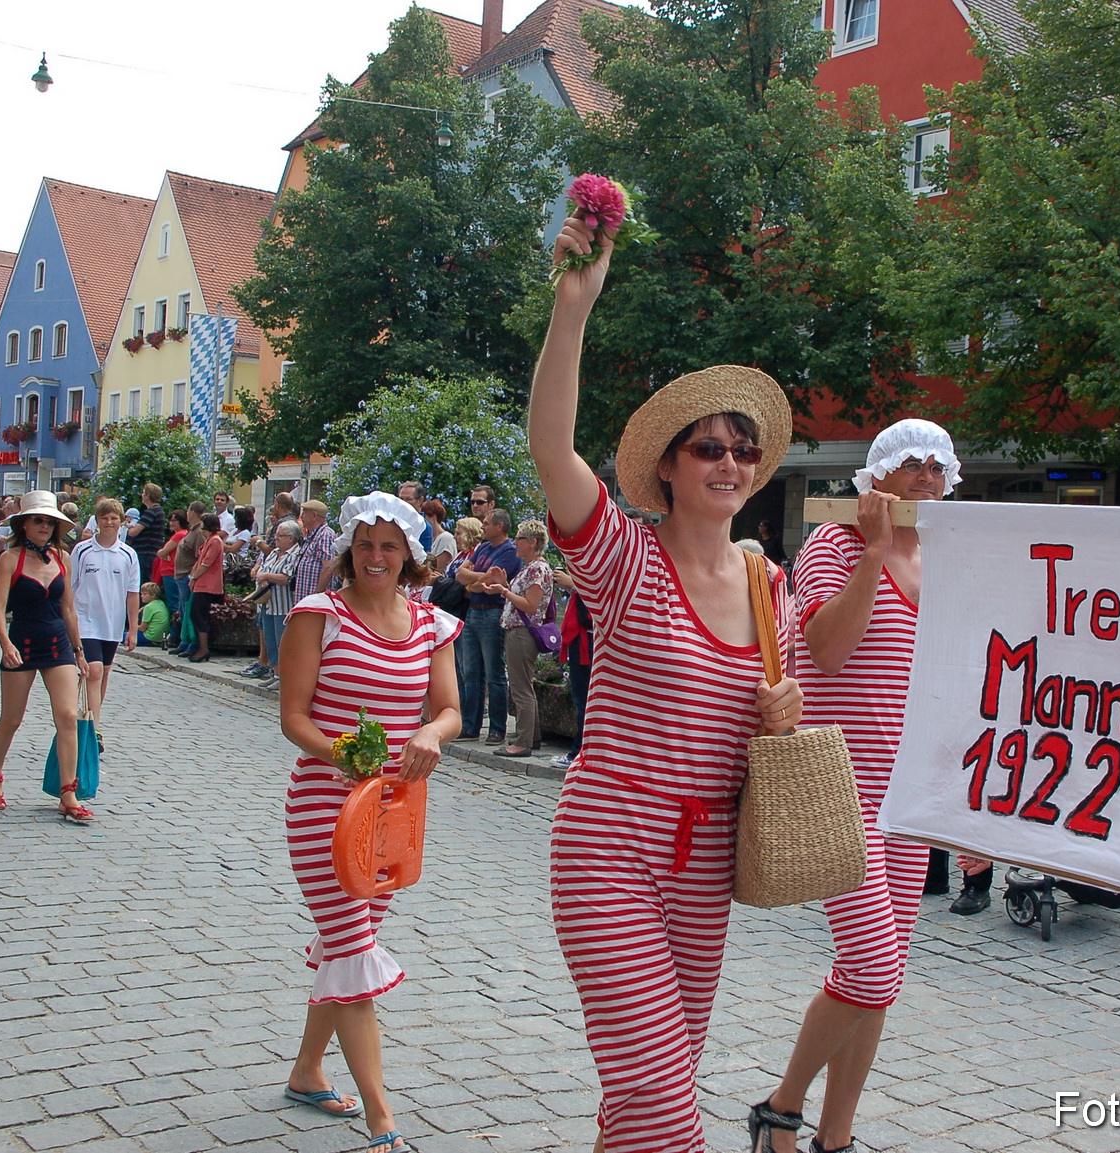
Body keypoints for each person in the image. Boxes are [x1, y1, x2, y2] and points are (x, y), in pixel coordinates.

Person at [529, 209, 803, 1153]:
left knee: (653, 1090)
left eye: (743, 449)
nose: (729, 461)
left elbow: (783, 722)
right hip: (609, 844)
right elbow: (553, 453)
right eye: (708, 447)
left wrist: (784, 713)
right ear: (672, 466)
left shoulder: (772, 585)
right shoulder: (624, 560)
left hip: (705, 866)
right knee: (664, 1105)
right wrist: (574, 310)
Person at [751, 419, 959, 1153]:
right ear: (878, 476)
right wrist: (874, 552)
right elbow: (828, 650)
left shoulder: (943, 556)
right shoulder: (834, 545)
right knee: (870, 969)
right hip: (841, 795)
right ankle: (781, 1105)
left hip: (910, 800)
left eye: (938, 465)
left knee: (882, 978)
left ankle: (835, 1135)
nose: (926, 476)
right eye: (911, 464)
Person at [278, 492, 460, 1153]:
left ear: (409, 554)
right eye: (364, 544)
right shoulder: (317, 616)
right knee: (353, 947)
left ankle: (305, 1071)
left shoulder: (430, 623)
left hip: (392, 810)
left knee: (342, 944)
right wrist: (345, 754)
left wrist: (433, 734)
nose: (375, 557)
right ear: (348, 549)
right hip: (324, 806)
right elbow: (294, 717)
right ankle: (384, 1123)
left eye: (389, 546)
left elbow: (449, 709)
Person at [0, 492, 91, 821]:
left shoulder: (63, 557)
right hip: (23, 641)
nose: (45, 526)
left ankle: (68, 793)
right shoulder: (10, 558)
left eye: (50, 521)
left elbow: (68, 608)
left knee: (67, 717)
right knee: (12, 719)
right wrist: (5, 643)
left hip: (57, 642)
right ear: (24, 524)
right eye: (38, 520)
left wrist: (79, 651)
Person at [485, 520, 554, 757]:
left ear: (533, 542)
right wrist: (505, 585)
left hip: (522, 633)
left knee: (521, 688)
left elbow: (531, 605)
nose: (515, 542)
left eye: (520, 538)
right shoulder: (532, 567)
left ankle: (523, 741)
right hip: (518, 632)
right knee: (524, 685)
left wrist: (503, 591)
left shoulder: (537, 569)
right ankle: (531, 737)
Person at [70, 498, 140, 729]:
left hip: (112, 623)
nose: (109, 522)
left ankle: (89, 717)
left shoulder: (128, 554)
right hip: (86, 620)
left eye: (114, 518)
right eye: (104, 518)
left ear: (121, 522)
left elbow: (132, 593)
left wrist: (132, 629)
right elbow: (70, 588)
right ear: (97, 521)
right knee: (94, 670)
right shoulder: (82, 550)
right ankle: (95, 729)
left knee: (103, 673)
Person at [454, 510, 520, 743]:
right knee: (471, 672)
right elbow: (460, 574)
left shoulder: (509, 551)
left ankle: (497, 728)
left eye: (487, 523)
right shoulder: (483, 548)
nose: (482, 527)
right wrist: (478, 580)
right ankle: (470, 726)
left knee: (494, 673)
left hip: (493, 613)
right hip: (474, 612)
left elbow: (493, 582)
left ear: (500, 526)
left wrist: (475, 581)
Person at [248, 520, 303, 688]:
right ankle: (276, 673)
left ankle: (285, 678)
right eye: (276, 535)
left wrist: (266, 576)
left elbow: (286, 578)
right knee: (270, 639)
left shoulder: (294, 554)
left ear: (291, 538)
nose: (277, 539)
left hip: (282, 604)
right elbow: (264, 568)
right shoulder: (275, 552)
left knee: (282, 641)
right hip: (267, 603)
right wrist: (260, 573)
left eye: (281, 536)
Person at [551, 567, 591, 771]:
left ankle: (580, 753)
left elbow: (599, 596)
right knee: (582, 698)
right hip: (582, 639)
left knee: (585, 699)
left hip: (589, 638)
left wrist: (572, 585)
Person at [185, 513, 225, 662]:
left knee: (199, 615)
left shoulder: (215, 541)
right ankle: (200, 647)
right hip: (201, 584)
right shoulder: (209, 540)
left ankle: (203, 649)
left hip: (208, 584)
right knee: (196, 614)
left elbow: (206, 563)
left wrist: (194, 577)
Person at [170, 502, 208, 656]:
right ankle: (184, 640)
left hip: (187, 575)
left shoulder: (199, 532)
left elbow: (200, 556)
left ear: (192, 512)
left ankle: (192, 642)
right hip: (180, 576)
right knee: (183, 610)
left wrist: (193, 575)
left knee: (188, 610)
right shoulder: (192, 531)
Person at [155, 510, 189, 646]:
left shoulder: (179, 535)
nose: (171, 523)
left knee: (174, 604)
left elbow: (162, 552)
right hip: (171, 571)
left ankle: (175, 636)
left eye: (173, 520)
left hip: (170, 572)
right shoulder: (182, 535)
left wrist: (163, 553)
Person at [293, 501, 336, 604]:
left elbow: (328, 567)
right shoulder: (311, 535)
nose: (301, 517)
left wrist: (317, 594)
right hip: (306, 598)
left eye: (304, 513)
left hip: (315, 601)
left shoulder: (325, 535)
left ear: (313, 515)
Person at [129, 483, 167, 586]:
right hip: (151, 553)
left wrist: (127, 526)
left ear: (148, 495)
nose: (141, 495)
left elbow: (134, 532)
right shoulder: (158, 511)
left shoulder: (151, 512)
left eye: (143, 492)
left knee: (142, 583)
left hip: (145, 553)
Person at [423, 499, 455, 575]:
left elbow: (437, 569)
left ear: (433, 517)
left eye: (424, 516)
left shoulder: (446, 538)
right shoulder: (427, 538)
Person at [138, 582, 170, 647]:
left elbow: (142, 628)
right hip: (161, 637)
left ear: (153, 595)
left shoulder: (148, 607)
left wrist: (133, 626)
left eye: (145, 594)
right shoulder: (161, 603)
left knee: (124, 636)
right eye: (141, 594)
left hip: (150, 637)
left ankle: (146, 643)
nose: (142, 596)